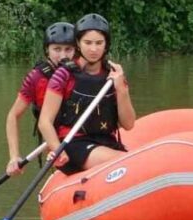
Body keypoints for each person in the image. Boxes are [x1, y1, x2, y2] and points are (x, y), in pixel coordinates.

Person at [37, 13, 136, 175]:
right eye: (88, 43)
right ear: (78, 43)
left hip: (107, 142)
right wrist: (57, 150)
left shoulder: (114, 74)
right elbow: (44, 122)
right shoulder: (64, 75)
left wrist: (121, 89)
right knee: (129, 162)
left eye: (99, 43)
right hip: (73, 144)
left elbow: (129, 124)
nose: (93, 49)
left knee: (135, 162)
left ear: (106, 44)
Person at [5, 22, 77, 176]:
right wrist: (14, 156)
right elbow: (13, 116)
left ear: (76, 50)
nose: (63, 56)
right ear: (47, 50)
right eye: (57, 49)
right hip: (53, 140)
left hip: (79, 135)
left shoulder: (81, 71)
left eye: (68, 49)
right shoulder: (36, 78)